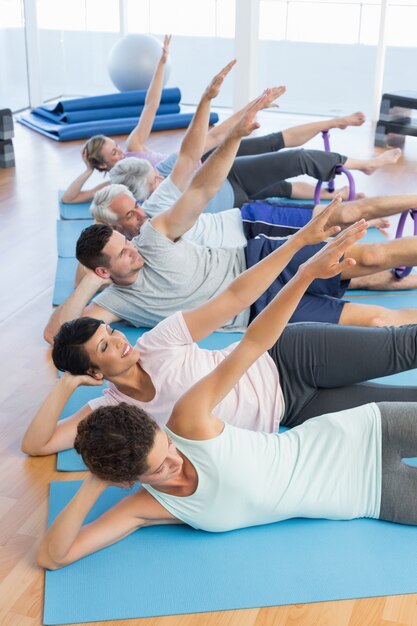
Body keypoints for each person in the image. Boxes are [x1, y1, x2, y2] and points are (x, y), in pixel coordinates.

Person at [36, 219, 417, 571]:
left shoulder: (187, 420)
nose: (176, 460)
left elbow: (252, 340)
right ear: (127, 480)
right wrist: (94, 474)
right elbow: (54, 555)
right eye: (159, 467)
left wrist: (303, 268)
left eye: (166, 445)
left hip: (295, 368)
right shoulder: (150, 501)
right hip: (318, 437)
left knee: (401, 344)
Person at [23, 201, 417, 459]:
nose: (119, 341)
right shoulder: (112, 410)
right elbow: (36, 445)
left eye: (110, 334)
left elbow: (232, 297)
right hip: (294, 410)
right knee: (404, 410)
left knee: (402, 347)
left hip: (290, 354)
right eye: (105, 347)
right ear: (93, 372)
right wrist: (66, 385)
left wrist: (298, 243)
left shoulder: (156, 341)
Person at [43, 89, 417, 342]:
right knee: (378, 320)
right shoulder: (116, 304)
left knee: (369, 255)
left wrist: (234, 136)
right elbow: (55, 335)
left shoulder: (153, 236)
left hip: (259, 259)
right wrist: (90, 285)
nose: (134, 247)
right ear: (104, 272)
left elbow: (201, 188)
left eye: (129, 242)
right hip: (259, 308)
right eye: (124, 250)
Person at [61, 37, 400, 208]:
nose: (119, 151)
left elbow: (153, 104)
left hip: (201, 159)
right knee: (275, 186)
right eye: (112, 154)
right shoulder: (116, 188)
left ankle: (343, 133)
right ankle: (337, 191)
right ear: (104, 165)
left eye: (114, 145)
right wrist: (90, 170)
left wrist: (162, 63)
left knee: (271, 145)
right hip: (204, 181)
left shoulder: (138, 147)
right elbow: (70, 198)